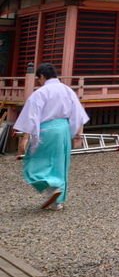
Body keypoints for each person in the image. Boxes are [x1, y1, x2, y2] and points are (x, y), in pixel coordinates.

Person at [14, 63, 89, 211]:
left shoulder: (41, 93)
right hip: (64, 129)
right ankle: (58, 202)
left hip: (46, 130)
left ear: (42, 76)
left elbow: (31, 116)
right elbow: (77, 114)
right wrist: (76, 134)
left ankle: (51, 188)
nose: (39, 81)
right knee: (60, 164)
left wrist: (24, 138)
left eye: (38, 78)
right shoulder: (68, 91)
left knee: (34, 162)